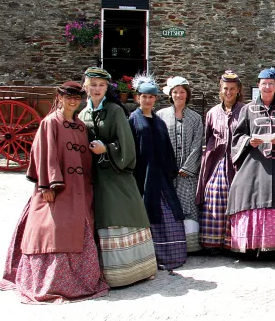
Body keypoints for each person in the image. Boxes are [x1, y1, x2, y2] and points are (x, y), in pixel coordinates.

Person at [0, 81, 109, 303]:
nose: (73, 101)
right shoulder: (50, 123)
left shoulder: (79, 126)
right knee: (53, 231)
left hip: (79, 188)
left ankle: (80, 281)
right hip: (57, 188)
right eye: (69, 97)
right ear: (59, 98)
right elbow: (44, 154)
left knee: (78, 229)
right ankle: (50, 283)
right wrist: (46, 185)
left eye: (77, 97)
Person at [79, 67, 157, 287]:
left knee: (120, 216)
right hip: (95, 177)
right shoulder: (83, 114)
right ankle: (107, 271)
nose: (96, 89)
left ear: (106, 88)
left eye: (101, 85)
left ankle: (132, 271)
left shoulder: (114, 111)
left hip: (116, 174)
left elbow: (127, 145)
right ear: (85, 86)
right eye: (92, 84)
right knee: (101, 219)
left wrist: (107, 149)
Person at [226, 67, 275, 253]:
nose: (267, 87)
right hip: (254, 162)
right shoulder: (248, 109)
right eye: (264, 84)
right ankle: (250, 245)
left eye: (271, 84)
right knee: (242, 189)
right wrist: (249, 140)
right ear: (258, 85)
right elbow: (237, 136)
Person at [129, 75, 188, 270]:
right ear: (138, 98)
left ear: (155, 99)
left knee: (170, 215)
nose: (148, 100)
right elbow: (131, 149)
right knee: (149, 213)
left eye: (151, 97)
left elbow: (167, 149)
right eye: (144, 96)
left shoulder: (159, 121)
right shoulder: (133, 120)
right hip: (144, 176)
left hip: (162, 176)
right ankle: (151, 258)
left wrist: (170, 170)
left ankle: (172, 257)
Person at [196, 70, 245, 251]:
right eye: (225, 88)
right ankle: (213, 242)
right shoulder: (212, 112)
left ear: (238, 90)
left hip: (238, 161)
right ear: (220, 90)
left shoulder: (245, 111)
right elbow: (208, 137)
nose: (229, 92)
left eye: (232, 89)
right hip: (217, 161)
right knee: (215, 193)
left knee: (236, 197)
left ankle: (233, 242)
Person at [157, 76, 204, 253]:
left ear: (187, 94)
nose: (179, 95)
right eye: (175, 92)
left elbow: (197, 144)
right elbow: (159, 143)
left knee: (188, 206)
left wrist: (187, 168)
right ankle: (172, 243)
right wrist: (166, 167)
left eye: (182, 92)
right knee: (168, 207)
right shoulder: (161, 116)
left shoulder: (195, 118)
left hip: (187, 174)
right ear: (170, 94)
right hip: (168, 172)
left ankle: (191, 245)